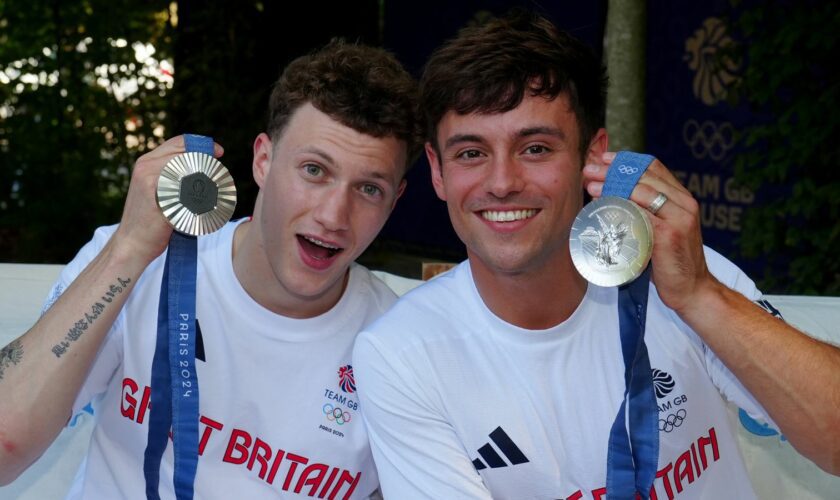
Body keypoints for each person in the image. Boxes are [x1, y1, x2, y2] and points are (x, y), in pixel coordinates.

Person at [353, 11, 840, 499]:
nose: (501, 183)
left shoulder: (682, 273)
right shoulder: (402, 353)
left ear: (593, 155)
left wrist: (700, 296)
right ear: (437, 171)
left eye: (536, 148)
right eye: (471, 154)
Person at [0, 39, 421, 499]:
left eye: (368, 189)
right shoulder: (140, 263)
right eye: (314, 170)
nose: (334, 216)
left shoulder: (400, 346)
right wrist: (128, 250)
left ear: (395, 201)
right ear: (263, 160)